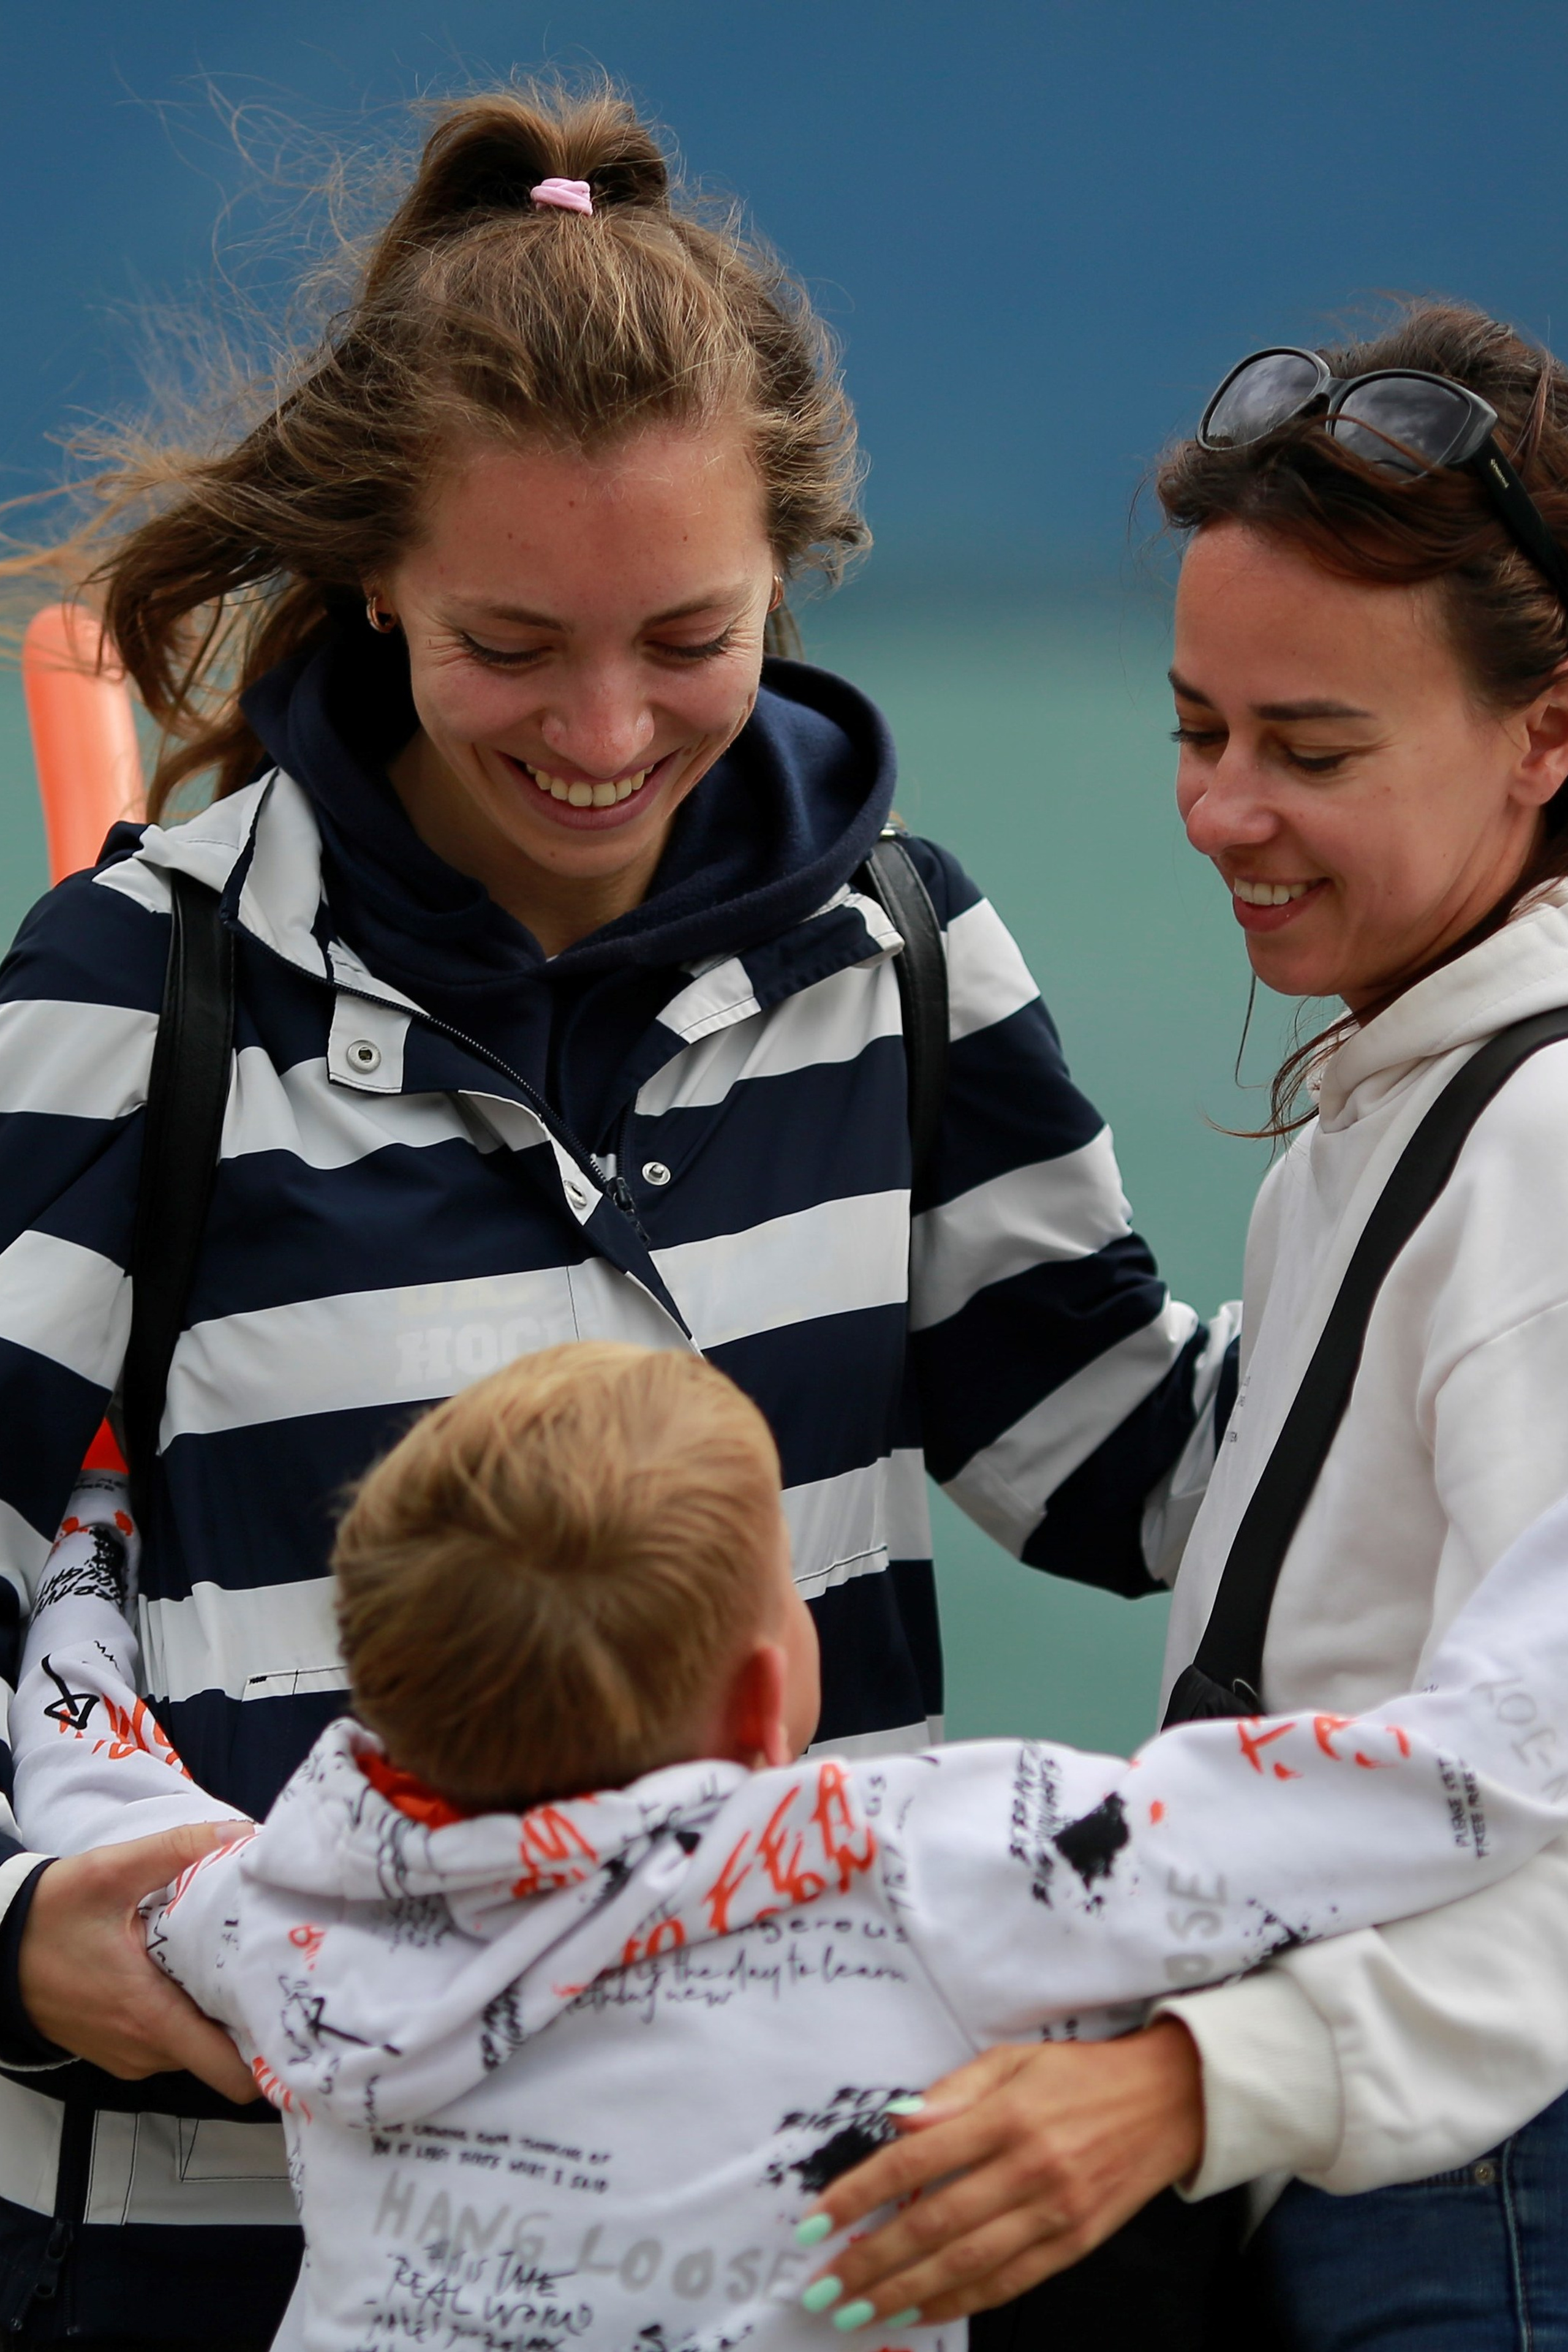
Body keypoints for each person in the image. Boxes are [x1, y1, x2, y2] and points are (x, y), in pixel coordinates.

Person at [0, 81, 1248, 2349]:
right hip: (232, 2238)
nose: (602, 729)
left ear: (793, 561)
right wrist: (17, 1930)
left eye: (690, 635)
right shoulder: (119, 1001)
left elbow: (1140, 1469)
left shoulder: (898, 958)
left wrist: (1462, 1160)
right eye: (509, 642)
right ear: (375, 574)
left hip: (775, 2238)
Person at [14, 1340, 1568, 2352]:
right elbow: (1450, 1777)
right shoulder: (898, 1855)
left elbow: (100, 1780)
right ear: (770, 1693)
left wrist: (93, 1519)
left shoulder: (289, 1905)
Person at [812, 304, 1568, 2351]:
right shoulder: (1410, 1095)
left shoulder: (1541, 1143)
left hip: (1474, 2190)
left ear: (1547, 734)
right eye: (1194, 728)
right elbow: (1274, 1495)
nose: (1219, 811)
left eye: (1310, 751)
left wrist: (1180, 2091)